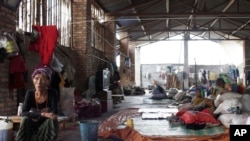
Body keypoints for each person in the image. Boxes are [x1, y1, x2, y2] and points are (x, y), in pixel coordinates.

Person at [15, 66, 59, 141]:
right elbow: (24, 112)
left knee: (52, 120)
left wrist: (34, 114)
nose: (39, 82)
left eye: (43, 79)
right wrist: (43, 114)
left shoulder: (52, 93)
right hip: (31, 124)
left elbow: (54, 112)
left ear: (48, 81)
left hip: (45, 125)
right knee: (25, 119)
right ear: (33, 80)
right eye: (36, 78)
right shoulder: (30, 93)